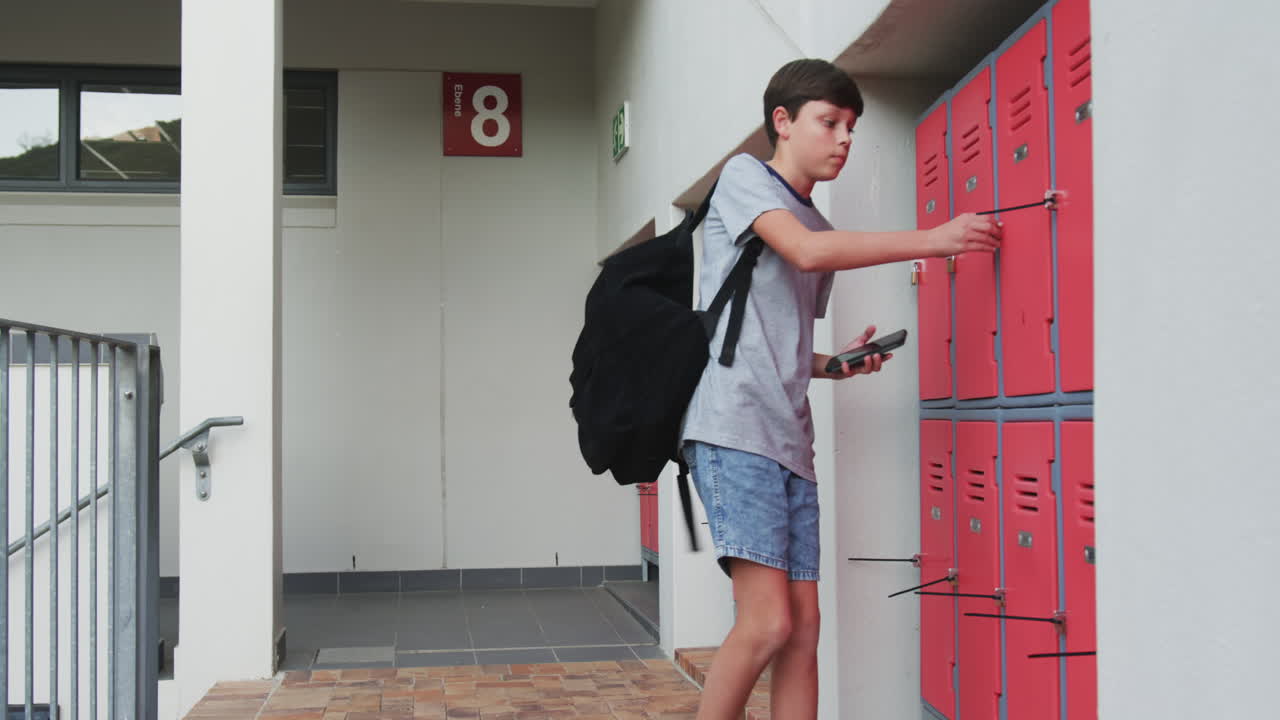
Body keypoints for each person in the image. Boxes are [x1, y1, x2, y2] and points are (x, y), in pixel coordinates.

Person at [679, 58, 1002, 719]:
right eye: (829, 122)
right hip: (734, 429)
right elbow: (802, 251)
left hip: (790, 439)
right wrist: (932, 241)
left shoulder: (816, 225)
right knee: (767, 623)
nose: (845, 139)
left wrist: (840, 365)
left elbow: (782, 343)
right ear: (783, 122)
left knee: (804, 630)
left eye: (852, 127)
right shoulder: (745, 178)